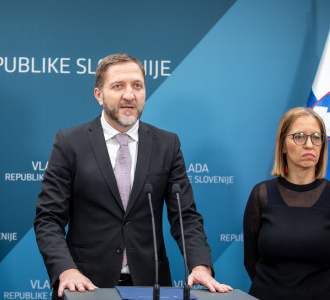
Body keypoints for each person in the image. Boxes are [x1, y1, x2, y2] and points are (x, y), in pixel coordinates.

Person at [34, 53, 233, 299]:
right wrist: (66, 270)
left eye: (137, 86)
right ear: (99, 95)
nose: (129, 95)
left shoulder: (166, 144)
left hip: (151, 285)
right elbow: (48, 219)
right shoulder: (70, 143)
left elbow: (186, 217)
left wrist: (200, 265)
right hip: (85, 286)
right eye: (118, 86)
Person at [244, 107, 330, 299]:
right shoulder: (262, 194)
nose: (309, 145)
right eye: (299, 136)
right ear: (283, 145)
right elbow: (251, 260)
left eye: (316, 137)